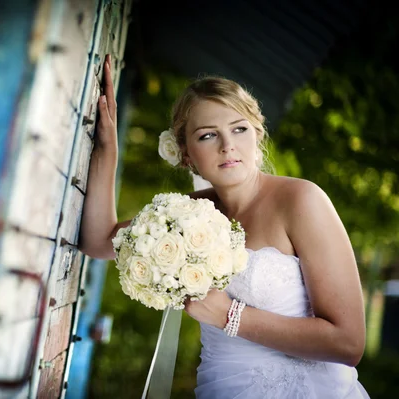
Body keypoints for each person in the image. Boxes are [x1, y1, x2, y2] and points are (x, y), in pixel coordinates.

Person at [79, 55, 370, 398]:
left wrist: (231, 316)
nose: (228, 145)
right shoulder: (184, 216)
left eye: (239, 129)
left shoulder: (302, 200)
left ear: (257, 134)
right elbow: (99, 241)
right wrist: (107, 148)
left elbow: (348, 343)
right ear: (186, 153)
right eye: (207, 135)